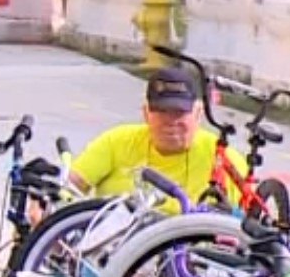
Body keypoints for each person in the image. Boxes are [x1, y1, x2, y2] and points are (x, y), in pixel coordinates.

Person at [67, 69, 244, 211]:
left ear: (198, 114)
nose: (171, 120)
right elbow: (70, 187)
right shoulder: (116, 141)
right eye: (161, 111)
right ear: (146, 113)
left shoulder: (224, 159)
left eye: (179, 112)